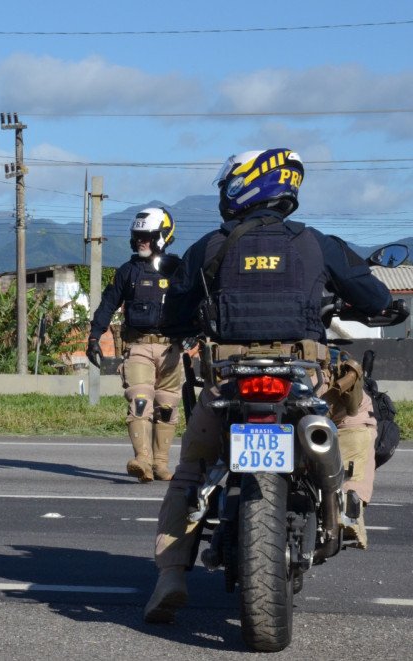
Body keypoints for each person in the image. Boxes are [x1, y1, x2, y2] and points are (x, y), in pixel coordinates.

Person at [144, 148, 392, 624]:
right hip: (304, 378)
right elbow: (375, 296)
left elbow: (173, 311)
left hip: (230, 380)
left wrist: (184, 323)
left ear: (246, 186)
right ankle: (351, 508)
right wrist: (378, 307)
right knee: (359, 416)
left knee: (193, 470)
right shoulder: (318, 244)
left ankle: (171, 576)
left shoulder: (211, 246)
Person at [86, 207, 183, 483]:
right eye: (137, 236)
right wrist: (94, 336)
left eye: (147, 236)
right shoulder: (128, 272)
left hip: (171, 350)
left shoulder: (178, 270)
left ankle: (161, 464)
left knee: (167, 406)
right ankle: (142, 460)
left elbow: (195, 303)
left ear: (163, 236)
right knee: (140, 400)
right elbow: (107, 304)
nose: (141, 241)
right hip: (138, 347)